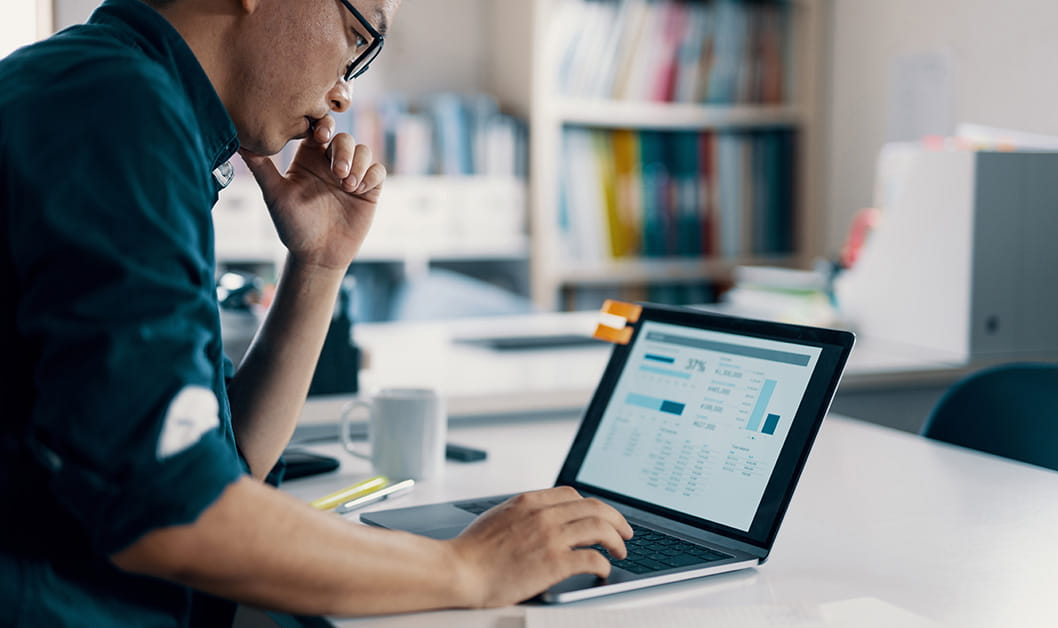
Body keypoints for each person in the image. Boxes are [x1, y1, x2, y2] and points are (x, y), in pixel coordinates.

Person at [0, 0, 632, 624]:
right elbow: (172, 512)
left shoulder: (117, 98)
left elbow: (225, 465)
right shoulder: (116, 109)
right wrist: (470, 569)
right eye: (358, 38)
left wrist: (320, 264)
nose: (343, 95)